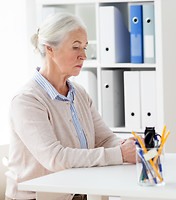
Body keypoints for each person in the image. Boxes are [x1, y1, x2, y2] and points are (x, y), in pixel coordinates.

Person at [5, 13, 137, 200]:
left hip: (77, 193)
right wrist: (120, 155)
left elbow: (105, 139)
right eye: (76, 47)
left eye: (84, 47)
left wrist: (129, 146)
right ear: (50, 49)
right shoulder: (27, 101)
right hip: (38, 197)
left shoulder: (79, 93)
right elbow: (56, 158)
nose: (83, 56)